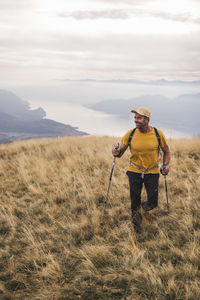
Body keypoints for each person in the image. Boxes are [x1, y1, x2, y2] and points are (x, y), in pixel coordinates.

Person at [112, 106, 170, 232]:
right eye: (135, 117)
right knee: (134, 202)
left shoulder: (157, 134)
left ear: (147, 119)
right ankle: (137, 229)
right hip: (134, 171)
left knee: (153, 203)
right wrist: (116, 152)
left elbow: (166, 151)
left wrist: (165, 166)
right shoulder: (130, 134)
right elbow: (120, 153)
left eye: (139, 118)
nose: (135, 120)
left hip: (152, 172)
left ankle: (145, 206)